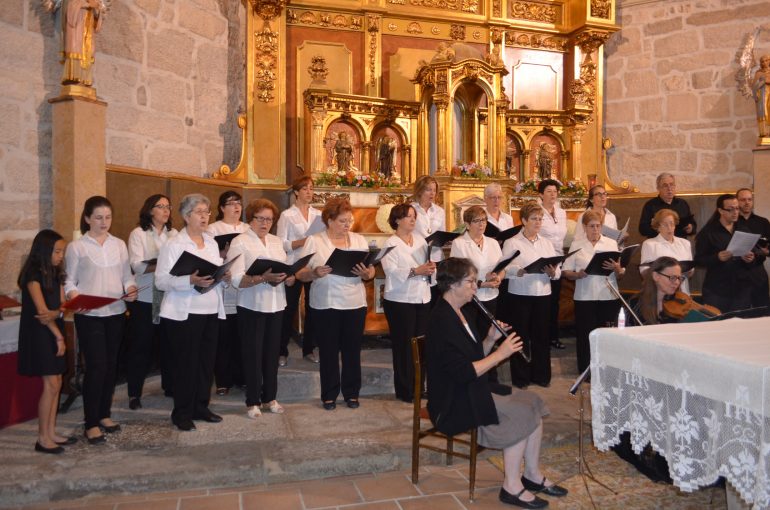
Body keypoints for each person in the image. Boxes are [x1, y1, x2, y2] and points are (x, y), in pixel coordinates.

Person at [427, 257, 567, 509]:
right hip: (453, 398)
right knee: (518, 413)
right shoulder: (441, 320)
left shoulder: (462, 312)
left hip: (472, 386)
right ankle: (511, 486)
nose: (475, 287)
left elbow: (472, 356)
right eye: (470, 282)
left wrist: (491, 340)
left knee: (533, 400)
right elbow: (462, 373)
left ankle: (532, 475)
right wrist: (500, 355)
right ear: (452, 285)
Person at [65, 196, 137, 445]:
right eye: (98, 217)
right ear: (87, 219)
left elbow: (127, 276)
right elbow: (69, 281)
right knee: (96, 367)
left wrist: (131, 288)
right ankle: (91, 422)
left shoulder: (118, 244)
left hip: (116, 312)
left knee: (111, 366)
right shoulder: (77, 247)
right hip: (90, 315)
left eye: (108, 217)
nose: (104, 222)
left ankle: (104, 414)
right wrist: (75, 296)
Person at [155, 193, 231, 431]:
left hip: (210, 310)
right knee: (185, 364)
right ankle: (182, 412)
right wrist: (189, 279)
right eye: (199, 212)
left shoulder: (210, 242)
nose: (204, 216)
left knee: (205, 364)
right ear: (186, 216)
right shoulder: (174, 244)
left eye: (206, 212)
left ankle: (201, 406)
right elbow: (161, 281)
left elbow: (214, 274)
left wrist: (223, 276)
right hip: (183, 313)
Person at [296, 198, 375, 410]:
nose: (347, 225)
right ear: (329, 220)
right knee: (329, 350)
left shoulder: (358, 240)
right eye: (342, 221)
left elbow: (370, 270)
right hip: (326, 304)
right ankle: (329, 394)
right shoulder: (314, 241)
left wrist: (368, 272)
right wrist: (314, 272)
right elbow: (300, 274)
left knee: (352, 350)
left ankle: (352, 393)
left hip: (354, 303)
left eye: (349, 221)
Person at [228, 199, 293, 418]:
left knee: (271, 354)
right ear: (251, 218)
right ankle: (253, 401)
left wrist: (289, 275)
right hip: (252, 305)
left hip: (276, 303)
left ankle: (270, 397)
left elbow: (283, 267)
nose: (265, 223)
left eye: (269, 219)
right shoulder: (240, 242)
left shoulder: (276, 242)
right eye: (260, 218)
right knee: (253, 354)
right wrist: (261, 277)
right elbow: (236, 279)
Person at [17, 229, 77, 454]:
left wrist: (58, 314)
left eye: (62, 251)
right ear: (44, 251)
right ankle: (42, 438)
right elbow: (42, 313)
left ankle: (51, 432)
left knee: (57, 383)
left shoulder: (56, 273)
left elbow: (62, 305)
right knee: (50, 385)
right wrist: (59, 334)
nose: (61, 256)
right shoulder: (33, 276)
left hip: (54, 329)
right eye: (57, 251)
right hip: (41, 333)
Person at [126, 194, 178, 410]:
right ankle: (134, 393)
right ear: (150, 210)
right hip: (145, 298)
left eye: (168, 207)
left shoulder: (174, 234)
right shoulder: (138, 233)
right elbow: (137, 266)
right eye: (160, 206)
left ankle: (171, 386)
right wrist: (163, 265)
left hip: (169, 298)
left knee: (169, 345)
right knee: (141, 347)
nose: (166, 210)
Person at [501, 202, 560, 388]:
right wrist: (517, 270)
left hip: (542, 293)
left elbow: (558, 271)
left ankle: (541, 376)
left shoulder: (547, 243)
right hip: (520, 294)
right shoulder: (512, 242)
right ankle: (521, 377)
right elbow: (503, 267)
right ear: (524, 220)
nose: (538, 222)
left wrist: (553, 273)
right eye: (534, 218)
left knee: (541, 336)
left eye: (540, 219)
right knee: (520, 336)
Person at [380, 203, 435, 402]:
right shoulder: (390, 243)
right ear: (397, 220)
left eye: (414, 216)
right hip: (400, 300)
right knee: (404, 346)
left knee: (421, 345)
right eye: (408, 216)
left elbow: (427, 265)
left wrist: (430, 268)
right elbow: (391, 271)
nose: (413, 220)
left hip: (422, 297)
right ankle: (405, 390)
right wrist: (416, 271)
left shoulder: (420, 239)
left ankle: (421, 387)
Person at [561, 211, 623, 374]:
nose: (595, 230)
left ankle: (607, 369)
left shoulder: (610, 243)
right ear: (584, 227)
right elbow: (566, 271)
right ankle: (586, 371)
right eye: (591, 226)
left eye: (598, 226)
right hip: (585, 296)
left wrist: (617, 269)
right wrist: (578, 274)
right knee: (585, 335)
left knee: (607, 335)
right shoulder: (577, 244)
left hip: (608, 295)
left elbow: (620, 272)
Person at [275, 176, 322, 366]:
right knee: (289, 309)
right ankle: (281, 351)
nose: (309, 192)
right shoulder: (287, 215)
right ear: (296, 192)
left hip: (312, 265)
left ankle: (309, 349)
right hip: (293, 265)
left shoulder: (318, 214)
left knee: (314, 308)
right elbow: (280, 244)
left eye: (311, 189)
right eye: (305, 189)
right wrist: (303, 241)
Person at [207, 191, 249, 396]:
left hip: (243, 289)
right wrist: (220, 255)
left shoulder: (248, 229)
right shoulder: (212, 229)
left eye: (238, 203)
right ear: (222, 208)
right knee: (223, 337)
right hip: (222, 288)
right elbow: (205, 259)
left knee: (242, 336)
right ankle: (222, 380)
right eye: (231, 203)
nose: (236, 207)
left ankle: (241, 377)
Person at [450, 205, 504, 339]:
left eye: (484, 220)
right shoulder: (459, 243)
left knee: (487, 335)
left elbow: (502, 267)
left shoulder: (493, 243)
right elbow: (458, 274)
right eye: (477, 221)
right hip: (469, 299)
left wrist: (498, 278)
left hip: (491, 296)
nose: (481, 224)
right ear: (467, 224)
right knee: (471, 337)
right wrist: (483, 284)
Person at [695, 194, 755, 313]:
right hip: (717, 290)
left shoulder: (743, 229)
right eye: (730, 209)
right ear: (720, 210)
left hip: (741, 289)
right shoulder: (708, 232)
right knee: (719, 325)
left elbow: (754, 252)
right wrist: (717, 257)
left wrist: (750, 258)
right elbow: (698, 260)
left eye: (737, 208)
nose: (735, 212)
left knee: (740, 326)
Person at [536, 179, 567, 350]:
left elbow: (561, 237)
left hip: (558, 260)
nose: (553, 194)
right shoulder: (537, 212)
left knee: (555, 302)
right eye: (549, 191)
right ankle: (541, 337)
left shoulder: (562, 212)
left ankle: (553, 336)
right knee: (543, 302)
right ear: (541, 194)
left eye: (555, 191)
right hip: (543, 260)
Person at [639, 209, 694, 295]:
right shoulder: (649, 244)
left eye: (672, 224)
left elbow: (691, 270)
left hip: (682, 293)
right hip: (659, 293)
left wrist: (687, 272)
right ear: (658, 226)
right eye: (665, 224)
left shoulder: (685, 243)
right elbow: (644, 271)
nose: (670, 228)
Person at [411, 175, 446, 303]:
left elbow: (442, 233)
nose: (432, 193)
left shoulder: (439, 211)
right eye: (428, 190)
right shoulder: (411, 209)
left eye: (434, 190)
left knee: (435, 296)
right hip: (417, 256)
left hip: (436, 257)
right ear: (420, 191)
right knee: (420, 294)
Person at [736, 188, 770, 311]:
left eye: (749, 199)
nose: (747, 202)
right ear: (737, 201)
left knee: (762, 310)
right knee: (739, 313)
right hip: (737, 273)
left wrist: (767, 251)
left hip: (758, 272)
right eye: (743, 199)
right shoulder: (732, 222)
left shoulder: (763, 222)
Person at [638, 173, 696, 238]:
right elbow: (642, 230)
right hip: (659, 244)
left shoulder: (682, 203)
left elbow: (693, 225)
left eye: (671, 185)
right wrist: (657, 228)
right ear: (658, 188)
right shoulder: (650, 205)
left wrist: (690, 228)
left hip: (679, 243)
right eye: (665, 185)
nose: (669, 188)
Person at [750, 55, 770, 138]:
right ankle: (763, 132)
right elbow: (754, 86)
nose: (764, 63)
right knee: (763, 112)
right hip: (762, 95)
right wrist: (764, 81)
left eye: (766, 60)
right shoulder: (759, 73)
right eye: (762, 61)